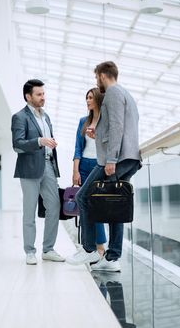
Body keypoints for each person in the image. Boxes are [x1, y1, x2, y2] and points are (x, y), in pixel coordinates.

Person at [66, 61, 141, 271]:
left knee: (83, 196)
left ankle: (89, 251)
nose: (95, 81)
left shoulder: (113, 93)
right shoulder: (126, 94)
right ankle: (112, 258)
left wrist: (111, 159)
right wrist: (98, 134)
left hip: (116, 159)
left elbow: (117, 126)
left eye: (96, 77)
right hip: (130, 158)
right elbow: (123, 126)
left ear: (102, 75)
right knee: (116, 205)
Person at [11, 79, 65, 265]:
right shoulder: (20, 117)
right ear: (28, 96)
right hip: (29, 169)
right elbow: (17, 144)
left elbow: (48, 139)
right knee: (29, 211)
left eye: (43, 94)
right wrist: (39, 142)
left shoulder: (46, 116)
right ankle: (30, 251)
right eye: (39, 94)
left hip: (48, 165)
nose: (43, 97)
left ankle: (48, 249)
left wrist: (50, 143)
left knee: (54, 206)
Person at [72, 88, 106, 255]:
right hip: (84, 166)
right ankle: (89, 247)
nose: (87, 100)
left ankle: (99, 248)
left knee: (95, 207)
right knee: (85, 206)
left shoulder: (105, 121)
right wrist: (75, 171)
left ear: (98, 99)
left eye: (91, 97)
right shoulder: (83, 121)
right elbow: (78, 148)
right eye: (86, 98)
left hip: (98, 167)